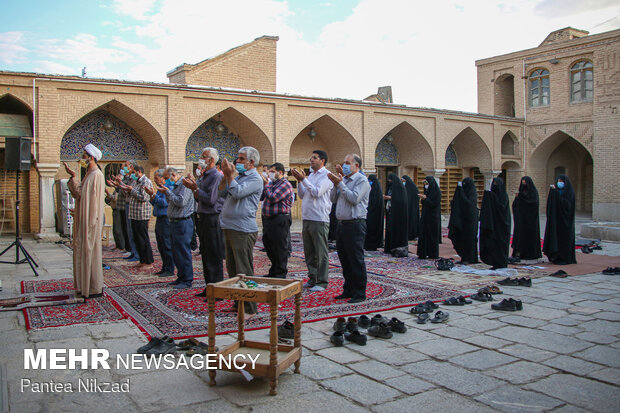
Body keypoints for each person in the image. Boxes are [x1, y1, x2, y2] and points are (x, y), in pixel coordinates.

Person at [219, 147, 264, 315]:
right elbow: (220, 192)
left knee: (244, 269)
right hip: (230, 227)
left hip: (243, 230)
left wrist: (231, 175)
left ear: (251, 162)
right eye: (237, 158)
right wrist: (225, 174)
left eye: (241, 159)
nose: (237, 162)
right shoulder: (240, 177)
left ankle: (250, 307)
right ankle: (238, 303)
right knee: (233, 270)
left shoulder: (255, 179)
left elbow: (237, 193)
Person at [183, 147, 225, 297]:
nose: (201, 159)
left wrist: (195, 188)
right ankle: (209, 288)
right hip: (203, 218)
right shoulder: (205, 176)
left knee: (214, 255)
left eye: (204, 157)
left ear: (212, 160)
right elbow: (199, 198)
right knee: (206, 254)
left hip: (213, 218)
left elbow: (211, 200)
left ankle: (218, 291)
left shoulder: (216, 176)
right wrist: (194, 189)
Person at [64, 144, 105, 298]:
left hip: (90, 221)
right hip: (84, 218)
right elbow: (80, 195)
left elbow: (94, 202)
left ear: (91, 157)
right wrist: (73, 176)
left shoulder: (97, 175)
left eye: (84, 155)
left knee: (90, 252)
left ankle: (93, 287)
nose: (82, 158)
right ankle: (84, 286)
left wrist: (91, 221)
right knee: (82, 251)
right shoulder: (89, 173)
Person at [329, 154, 370, 303]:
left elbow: (354, 199)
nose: (344, 165)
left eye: (347, 163)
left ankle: (359, 292)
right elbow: (333, 199)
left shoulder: (362, 181)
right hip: (342, 225)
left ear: (356, 166)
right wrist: (335, 184)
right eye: (344, 162)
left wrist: (340, 184)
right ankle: (348, 289)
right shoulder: (344, 180)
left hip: (355, 225)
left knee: (355, 259)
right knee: (345, 259)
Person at [290, 150, 333, 291]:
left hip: (319, 218)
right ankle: (312, 277)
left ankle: (322, 281)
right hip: (307, 217)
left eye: (314, 158)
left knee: (320, 252)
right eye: (311, 157)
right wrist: (299, 181)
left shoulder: (327, 176)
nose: (311, 160)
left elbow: (316, 192)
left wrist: (304, 180)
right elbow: (302, 195)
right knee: (309, 251)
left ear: (322, 161)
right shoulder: (311, 175)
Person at [157, 167, 195, 288]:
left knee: (183, 251)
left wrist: (168, 192)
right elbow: (171, 202)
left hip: (183, 222)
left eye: (167, 178)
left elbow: (181, 202)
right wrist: (168, 193)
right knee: (176, 251)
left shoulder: (185, 185)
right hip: (174, 222)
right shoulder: (176, 186)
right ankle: (181, 276)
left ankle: (187, 279)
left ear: (173, 175)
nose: (166, 181)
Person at [260, 162, 294, 278]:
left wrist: (267, 185)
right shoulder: (272, 184)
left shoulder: (285, 184)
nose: (270, 173)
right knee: (269, 245)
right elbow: (262, 197)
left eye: (272, 171)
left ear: (280, 173)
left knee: (279, 247)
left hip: (280, 219)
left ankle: (280, 273)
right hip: (269, 220)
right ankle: (274, 270)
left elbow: (274, 197)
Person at [119, 165, 154, 268]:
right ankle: (142, 260)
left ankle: (148, 261)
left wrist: (131, 190)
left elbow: (144, 197)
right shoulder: (136, 181)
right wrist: (122, 186)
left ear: (139, 171)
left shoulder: (145, 182)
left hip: (142, 214)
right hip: (134, 214)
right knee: (137, 239)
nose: (132, 174)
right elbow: (129, 194)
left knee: (143, 239)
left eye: (134, 172)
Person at [145, 169, 175, 277]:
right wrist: (151, 195)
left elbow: (164, 203)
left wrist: (154, 194)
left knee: (166, 244)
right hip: (159, 218)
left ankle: (170, 268)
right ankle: (165, 267)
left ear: (163, 178)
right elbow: (155, 202)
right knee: (161, 244)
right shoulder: (160, 189)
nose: (155, 181)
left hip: (166, 219)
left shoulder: (168, 188)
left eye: (157, 178)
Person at [543, 174, 577, 265]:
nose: (559, 183)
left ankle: (565, 258)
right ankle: (555, 256)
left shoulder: (569, 192)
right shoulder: (555, 191)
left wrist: (556, 194)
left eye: (561, 181)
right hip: (556, 221)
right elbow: (551, 205)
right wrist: (553, 193)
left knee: (564, 240)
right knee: (555, 238)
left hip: (565, 222)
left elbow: (567, 206)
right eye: (558, 181)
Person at [479, 177, 511, 269]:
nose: (494, 186)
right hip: (494, 225)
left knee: (501, 245)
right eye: (493, 184)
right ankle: (495, 263)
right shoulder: (493, 196)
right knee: (494, 244)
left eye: (496, 184)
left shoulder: (503, 197)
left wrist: (490, 197)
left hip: (502, 226)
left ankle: (502, 263)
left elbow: (500, 208)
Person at [448, 177, 479, 264]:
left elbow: (468, 205)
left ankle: (470, 258)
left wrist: (460, 192)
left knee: (469, 240)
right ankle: (464, 257)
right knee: (461, 239)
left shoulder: (472, 194)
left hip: (470, 222)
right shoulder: (463, 192)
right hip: (462, 221)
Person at [511, 176, 542, 262]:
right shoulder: (520, 194)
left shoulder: (533, 193)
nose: (523, 184)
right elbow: (515, 206)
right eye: (522, 183)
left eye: (525, 183)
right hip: (521, 221)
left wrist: (522, 199)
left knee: (529, 237)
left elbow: (534, 204)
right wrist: (517, 198)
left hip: (530, 221)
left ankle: (531, 254)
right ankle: (518, 253)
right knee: (520, 236)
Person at [417, 176, 442, 259]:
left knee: (432, 236)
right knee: (424, 234)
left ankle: (432, 254)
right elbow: (425, 203)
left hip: (433, 217)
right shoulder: (427, 191)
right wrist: (424, 199)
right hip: (425, 216)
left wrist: (426, 199)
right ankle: (423, 253)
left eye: (427, 184)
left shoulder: (436, 192)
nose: (426, 186)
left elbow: (434, 203)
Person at [384, 173, 408, 256]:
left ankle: (397, 249)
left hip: (398, 215)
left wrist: (390, 198)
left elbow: (399, 200)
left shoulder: (400, 189)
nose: (389, 181)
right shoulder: (391, 188)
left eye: (390, 180)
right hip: (390, 212)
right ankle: (389, 247)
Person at [104, 172, 125, 251]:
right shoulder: (117, 189)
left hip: (118, 209)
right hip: (115, 209)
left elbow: (115, 199)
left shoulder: (120, 189)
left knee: (118, 229)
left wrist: (107, 193)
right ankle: (118, 245)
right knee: (115, 229)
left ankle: (121, 246)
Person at [364, 174, 384, 251]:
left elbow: (376, 203)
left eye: (370, 181)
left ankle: (374, 245)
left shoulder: (377, 192)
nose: (369, 182)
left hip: (375, 215)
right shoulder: (370, 190)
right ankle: (368, 244)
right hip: (369, 214)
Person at [402, 175, 420, 240]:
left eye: (403, 181)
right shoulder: (404, 187)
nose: (403, 182)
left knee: (412, 221)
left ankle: (413, 234)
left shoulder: (413, 188)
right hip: (407, 208)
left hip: (412, 208)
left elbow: (415, 197)